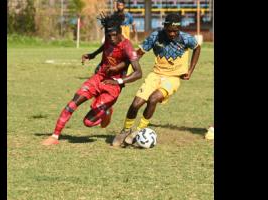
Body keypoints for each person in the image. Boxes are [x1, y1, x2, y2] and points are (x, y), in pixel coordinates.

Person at [42, 13, 142, 146]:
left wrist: (118, 81)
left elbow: (138, 73)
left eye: (113, 35)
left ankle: (107, 111)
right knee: (74, 102)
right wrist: (92, 55)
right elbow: (104, 47)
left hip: (113, 87)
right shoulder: (108, 38)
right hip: (99, 77)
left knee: (88, 122)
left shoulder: (127, 46)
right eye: (108, 35)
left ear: (120, 32)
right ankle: (55, 136)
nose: (111, 38)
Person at [112, 13, 201, 147]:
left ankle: (138, 131)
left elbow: (197, 48)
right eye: (169, 30)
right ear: (164, 26)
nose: (172, 33)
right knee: (136, 104)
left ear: (179, 29)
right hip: (155, 75)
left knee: (153, 99)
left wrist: (190, 70)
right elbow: (139, 54)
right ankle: (125, 130)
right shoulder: (155, 36)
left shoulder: (186, 38)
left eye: (175, 31)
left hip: (173, 78)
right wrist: (126, 70)